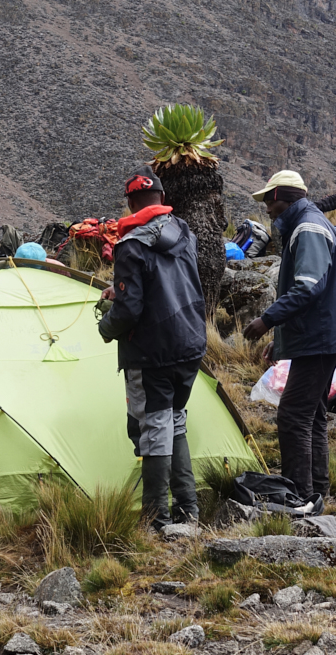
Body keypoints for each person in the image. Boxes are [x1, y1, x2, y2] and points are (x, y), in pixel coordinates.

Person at [97, 166, 207, 530]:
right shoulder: (184, 231)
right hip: (190, 343)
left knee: (153, 426)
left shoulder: (130, 246)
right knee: (175, 420)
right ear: (160, 198)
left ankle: (156, 517)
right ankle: (188, 509)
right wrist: (124, 291)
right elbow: (166, 281)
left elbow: (129, 311)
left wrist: (107, 326)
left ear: (130, 202)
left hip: (152, 352)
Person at [243, 171, 336, 499]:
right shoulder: (306, 222)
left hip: (321, 338)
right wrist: (279, 341)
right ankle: (316, 491)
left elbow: (308, 287)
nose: (266, 209)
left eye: (269, 199)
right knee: (313, 414)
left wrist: (266, 320)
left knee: (293, 414)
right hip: (322, 336)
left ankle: (299, 496)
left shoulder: (307, 228)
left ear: (284, 195)